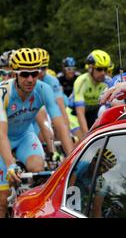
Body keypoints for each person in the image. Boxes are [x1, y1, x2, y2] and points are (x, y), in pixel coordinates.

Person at [0, 48, 73, 217]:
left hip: (24, 135)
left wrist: (71, 157)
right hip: (2, 138)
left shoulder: (43, 88)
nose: (30, 79)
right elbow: (2, 134)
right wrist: (11, 164)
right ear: (15, 74)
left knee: (37, 168)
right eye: (25, 74)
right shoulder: (4, 93)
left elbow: (59, 123)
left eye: (34, 73)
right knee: (2, 200)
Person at [34, 48, 74, 155]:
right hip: (30, 117)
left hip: (46, 115)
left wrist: (67, 132)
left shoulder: (51, 81)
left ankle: (57, 154)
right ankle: (51, 151)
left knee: (56, 123)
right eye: (38, 68)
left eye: (44, 68)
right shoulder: (28, 80)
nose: (41, 72)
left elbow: (61, 108)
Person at [72, 50, 111, 137]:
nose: (103, 73)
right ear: (90, 68)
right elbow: (80, 113)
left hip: (92, 113)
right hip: (74, 113)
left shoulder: (108, 81)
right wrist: (87, 136)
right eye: (99, 69)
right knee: (81, 140)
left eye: (105, 69)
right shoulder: (81, 81)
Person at [68, 148, 117, 218]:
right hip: (69, 201)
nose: (102, 170)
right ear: (93, 160)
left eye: (106, 169)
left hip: (79, 207)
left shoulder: (101, 183)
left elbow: (96, 209)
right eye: (101, 165)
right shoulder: (81, 165)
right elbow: (70, 188)